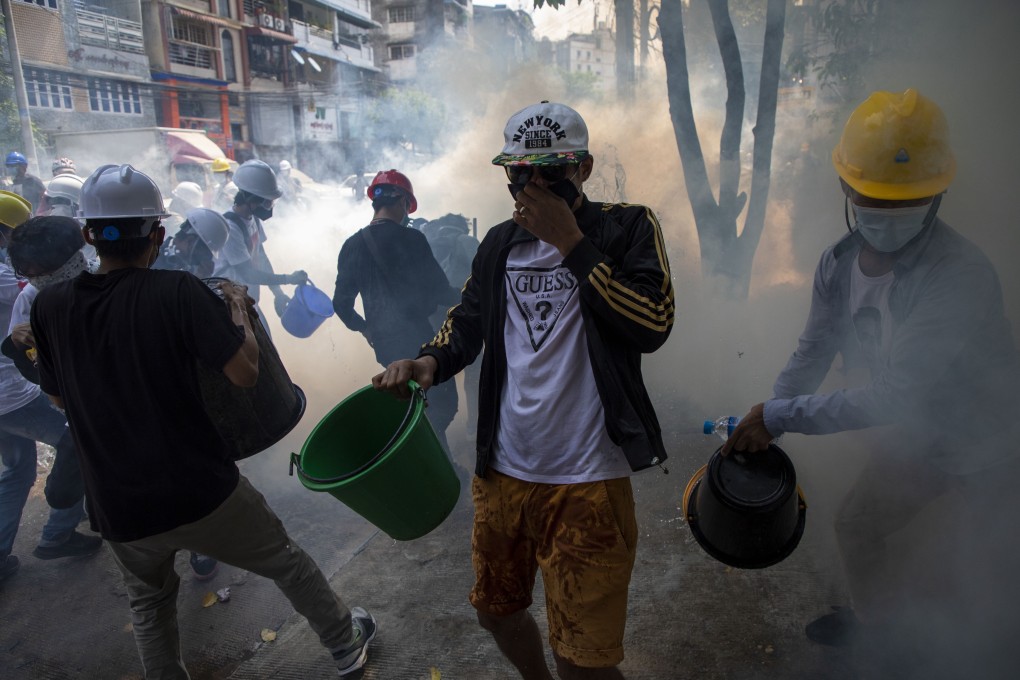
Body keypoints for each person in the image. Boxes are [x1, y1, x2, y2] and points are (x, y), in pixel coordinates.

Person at [29, 164, 377, 677]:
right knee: (285, 560)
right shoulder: (177, 291)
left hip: (115, 502)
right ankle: (345, 644)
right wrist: (238, 308)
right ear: (158, 233)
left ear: (88, 236)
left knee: (149, 606)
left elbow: (58, 400)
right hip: (196, 486)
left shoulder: (51, 305)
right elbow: (244, 373)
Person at [373, 102, 675, 679]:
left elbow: (652, 324)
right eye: (520, 173)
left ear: (582, 169)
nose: (534, 185)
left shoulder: (628, 227)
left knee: (582, 658)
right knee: (496, 612)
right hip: (504, 474)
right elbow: (468, 321)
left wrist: (572, 243)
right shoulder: (498, 243)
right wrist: (429, 359)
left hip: (588, 480)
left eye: (551, 172)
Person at [724, 89, 1020, 669]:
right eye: (873, 198)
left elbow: (896, 396)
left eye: (905, 202)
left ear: (937, 196)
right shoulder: (837, 264)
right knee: (859, 524)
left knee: (992, 570)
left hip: (990, 446)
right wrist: (772, 417)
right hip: (924, 440)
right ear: (845, 188)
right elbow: (813, 349)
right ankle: (880, 636)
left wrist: (779, 417)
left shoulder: (958, 275)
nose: (885, 215)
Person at [1, 204, 100, 586]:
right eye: (29, 273)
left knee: (19, 471)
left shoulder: (100, 284)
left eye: (42, 271)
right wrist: (18, 346)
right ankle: (63, 529)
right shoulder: (31, 300)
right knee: (76, 453)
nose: (36, 278)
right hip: (51, 400)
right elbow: (41, 374)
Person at [333, 170, 461, 457]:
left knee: (411, 402)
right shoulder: (412, 239)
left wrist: (366, 329)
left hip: (384, 343)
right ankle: (433, 464)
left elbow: (340, 305)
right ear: (403, 201)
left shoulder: (352, 245)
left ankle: (430, 461)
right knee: (442, 405)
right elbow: (440, 290)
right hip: (416, 336)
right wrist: (471, 294)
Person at [213, 159, 307, 325]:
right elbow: (247, 273)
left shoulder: (252, 218)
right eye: (267, 201)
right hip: (231, 306)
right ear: (250, 199)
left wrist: (277, 292)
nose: (270, 206)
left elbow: (261, 256)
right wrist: (288, 279)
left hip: (247, 301)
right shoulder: (230, 227)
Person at [421, 213, 482, 438]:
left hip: (433, 316)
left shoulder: (427, 242)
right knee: (474, 371)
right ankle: (474, 426)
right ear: (462, 228)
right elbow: (484, 273)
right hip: (463, 314)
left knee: (439, 362)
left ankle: (436, 421)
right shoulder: (465, 241)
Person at [156, 207, 230, 280]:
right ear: (190, 241)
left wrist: (200, 281)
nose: (201, 260)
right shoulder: (155, 259)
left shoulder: (187, 268)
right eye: (203, 252)